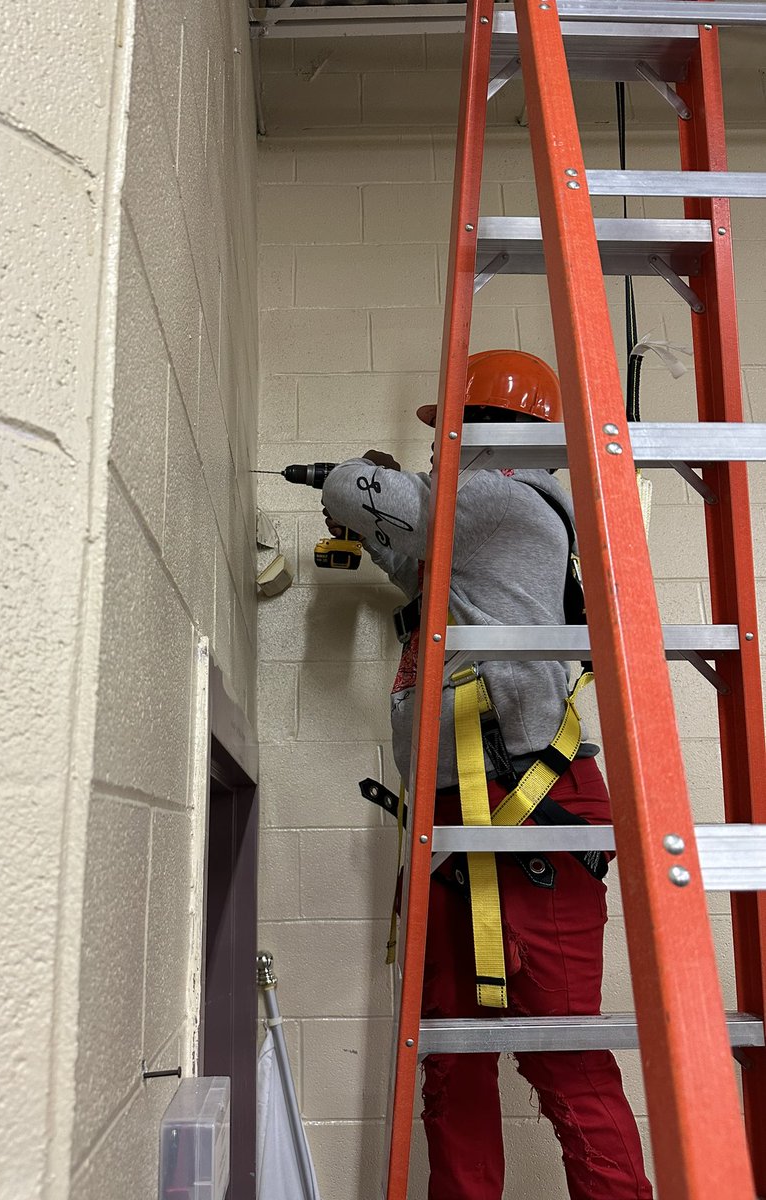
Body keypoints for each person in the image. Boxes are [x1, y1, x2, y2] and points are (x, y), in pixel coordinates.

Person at [320, 350, 653, 1200]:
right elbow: (410, 557)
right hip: (465, 819)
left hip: (524, 805)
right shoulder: (484, 527)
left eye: (446, 435)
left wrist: (354, 476)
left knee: (566, 1061)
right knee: (450, 1068)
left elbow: (352, 496)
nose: (437, 453)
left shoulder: (499, 496)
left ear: (489, 434)